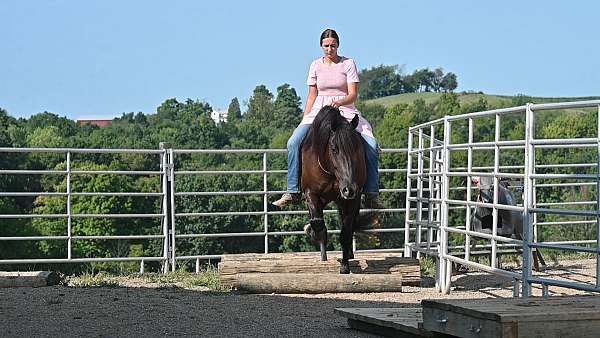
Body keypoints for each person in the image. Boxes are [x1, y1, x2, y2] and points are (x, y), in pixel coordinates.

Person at [273, 28, 383, 209]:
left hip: (345, 109)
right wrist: (305, 118)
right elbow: (311, 95)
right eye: (326, 46)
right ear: (321, 46)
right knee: (293, 142)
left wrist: (338, 103)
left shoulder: (348, 64)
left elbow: (353, 94)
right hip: (318, 111)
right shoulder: (315, 65)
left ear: (338, 45)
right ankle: (293, 191)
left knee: (371, 145)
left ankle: (371, 193)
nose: (329, 49)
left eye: (332, 45)